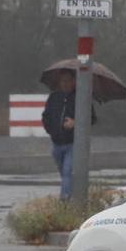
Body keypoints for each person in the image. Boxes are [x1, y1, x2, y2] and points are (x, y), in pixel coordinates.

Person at [42, 71, 94, 200]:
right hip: (56, 143)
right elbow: (46, 116)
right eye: (63, 81)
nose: (65, 84)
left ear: (74, 82)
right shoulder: (54, 97)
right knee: (65, 174)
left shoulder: (81, 97)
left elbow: (92, 118)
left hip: (72, 143)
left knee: (67, 172)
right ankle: (71, 191)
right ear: (59, 82)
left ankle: (64, 200)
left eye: (68, 81)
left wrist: (75, 123)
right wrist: (51, 130)